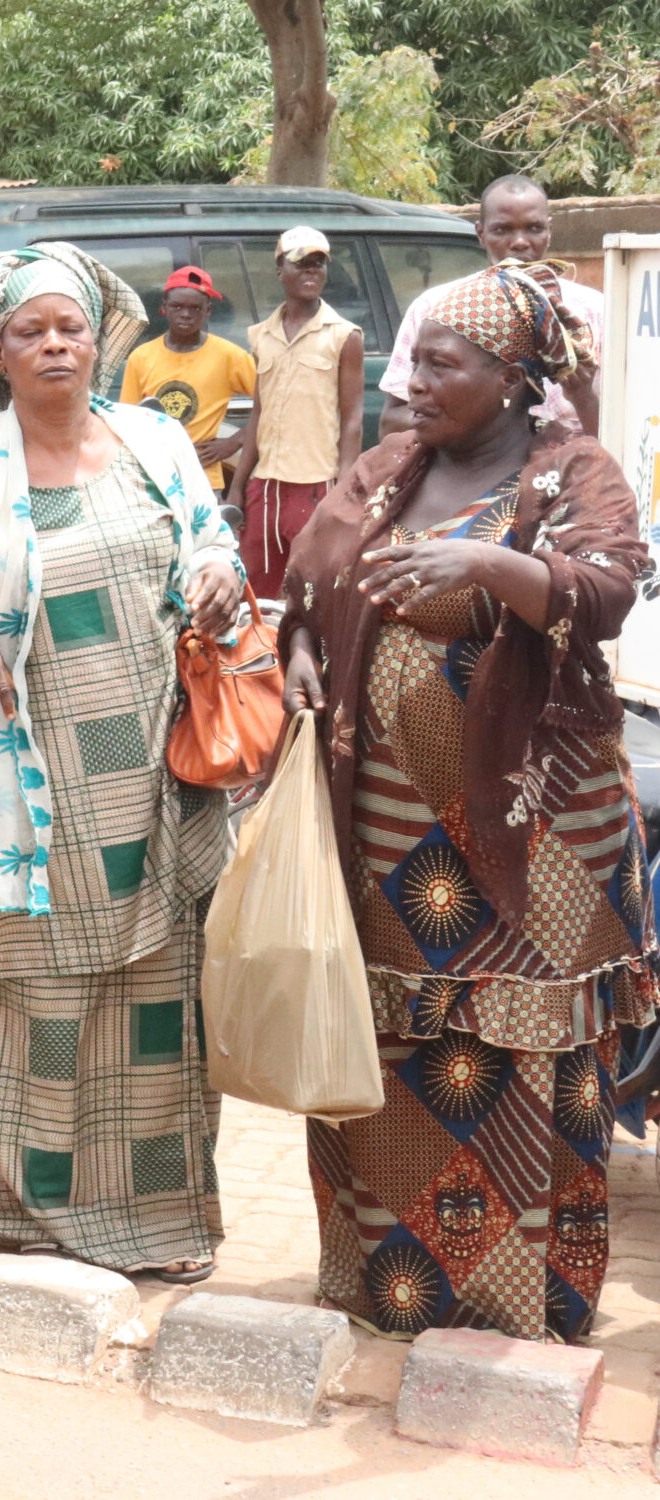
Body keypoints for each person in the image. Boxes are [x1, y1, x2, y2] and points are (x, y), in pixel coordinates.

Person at [0, 243, 245, 1281]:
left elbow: (212, 543)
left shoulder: (157, 443)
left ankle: (152, 1224)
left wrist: (213, 576)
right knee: (26, 992)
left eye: (70, 326)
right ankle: (8, 1211)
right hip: (17, 791)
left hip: (149, 781)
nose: (55, 343)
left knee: (154, 1000)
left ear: (99, 336)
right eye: (32, 331)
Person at [280, 262, 655, 1344]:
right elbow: (310, 589)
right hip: (386, 829)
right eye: (415, 360)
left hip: (537, 837)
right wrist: (300, 651)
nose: (415, 379)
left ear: (514, 374)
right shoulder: (388, 465)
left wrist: (487, 566)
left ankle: (524, 1309)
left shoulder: (571, 472)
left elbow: (605, 593)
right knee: (389, 1057)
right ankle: (381, 1293)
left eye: (443, 363)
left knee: (529, 1059)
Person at [382, 174, 600, 438]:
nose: (520, 241)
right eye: (503, 230)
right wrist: (483, 427)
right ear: (480, 233)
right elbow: (392, 422)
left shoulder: (593, 311)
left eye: (534, 228)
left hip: (571, 471)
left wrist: (583, 396)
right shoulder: (436, 308)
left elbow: (628, 427)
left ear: (549, 231)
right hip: (469, 474)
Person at [226, 226, 363, 600]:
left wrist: (346, 493)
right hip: (266, 487)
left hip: (318, 487)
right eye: (301, 263)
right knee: (256, 594)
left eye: (319, 264)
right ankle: (268, 659)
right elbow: (259, 411)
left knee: (313, 592)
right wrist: (238, 487)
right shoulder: (262, 336)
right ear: (279, 270)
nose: (311, 271)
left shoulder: (344, 336)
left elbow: (352, 421)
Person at [118, 265, 255, 493]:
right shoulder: (141, 357)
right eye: (177, 306)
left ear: (208, 311)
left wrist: (233, 443)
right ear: (164, 308)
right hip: (154, 479)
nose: (185, 314)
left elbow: (272, 404)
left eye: (195, 308)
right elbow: (126, 423)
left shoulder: (229, 356)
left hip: (205, 481)